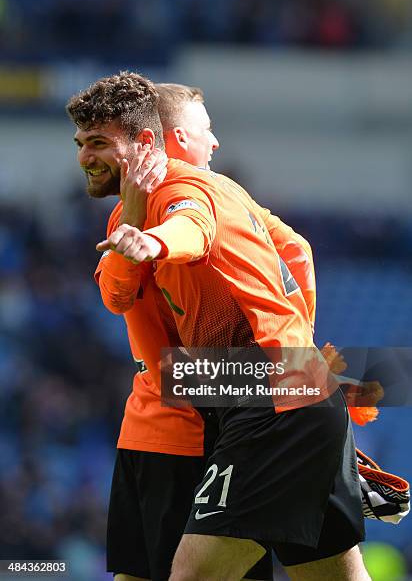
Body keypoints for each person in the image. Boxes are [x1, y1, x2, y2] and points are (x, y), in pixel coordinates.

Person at [67, 72, 369, 581]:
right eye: (82, 144)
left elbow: (192, 228)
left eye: (97, 143)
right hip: (263, 394)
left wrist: (155, 242)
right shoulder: (201, 194)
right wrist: (303, 356)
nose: (83, 157)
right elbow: (297, 250)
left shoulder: (182, 189)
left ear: (150, 142)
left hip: (262, 407)